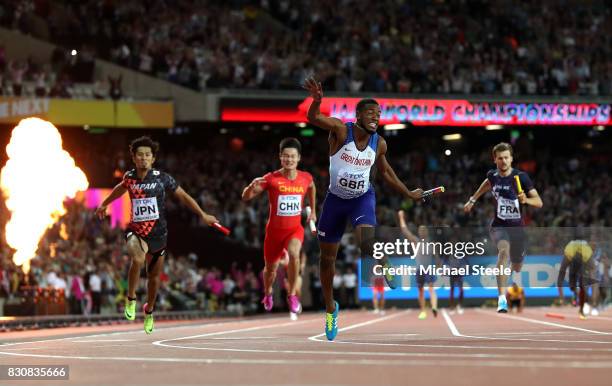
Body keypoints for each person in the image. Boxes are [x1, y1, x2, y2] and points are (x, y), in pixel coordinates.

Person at [303, 76, 423, 340]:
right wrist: (317, 101)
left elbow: (387, 173)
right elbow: (314, 118)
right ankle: (330, 309)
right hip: (335, 201)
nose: (376, 117)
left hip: (361, 198)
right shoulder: (341, 131)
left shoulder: (379, 142)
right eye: (371, 113)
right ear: (358, 115)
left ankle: (385, 262)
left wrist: (408, 193)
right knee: (326, 261)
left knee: (366, 244)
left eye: (379, 114)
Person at [95, 136, 219, 334]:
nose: (143, 158)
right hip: (136, 231)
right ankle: (131, 298)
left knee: (154, 278)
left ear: (153, 159)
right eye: (140, 155)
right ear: (134, 158)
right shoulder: (130, 177)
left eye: (147, 155)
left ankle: (149, 310)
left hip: (158, 235)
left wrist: (202, 214)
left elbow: (184, 196)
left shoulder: (163, 178)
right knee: (137, 258)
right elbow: (121, 188)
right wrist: (105, 203)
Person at [463, 142, 542, 313]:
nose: (504, 161)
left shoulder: (521, 177)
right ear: (495, 160)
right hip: (499, 226)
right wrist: (473, 199)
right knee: (503, 252)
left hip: (517, 229)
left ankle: (517, 261)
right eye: (500, 158)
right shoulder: (492, 176)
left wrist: (526, 201)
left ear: (512, 159)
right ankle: (501, 298)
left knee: (517, 266)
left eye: (506, 157)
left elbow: (539, 202)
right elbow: (487, 183)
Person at [242, 138, 316, 317]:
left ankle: (291, 295)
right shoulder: (271, 178)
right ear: (280, 157)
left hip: (294, 230)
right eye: (285, 156)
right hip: (274, 233)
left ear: (298, 158)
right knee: (270, 270)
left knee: (294, 255)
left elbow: (312, 187)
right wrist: (251, 187)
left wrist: (313, 210)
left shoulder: (306, 177)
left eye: (292, 156)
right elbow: (246, 197)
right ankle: (267, 294)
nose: (289, 160)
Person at [398, 210, 438, 319]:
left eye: (424, 230)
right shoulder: (416, 241)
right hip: (421, 269)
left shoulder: (430, 243)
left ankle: (432, 307)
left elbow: (437, 256)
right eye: (420, 230)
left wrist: (438, 264)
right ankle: (425, 310)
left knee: (430, 288)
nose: (422, 231)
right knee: (424, 289)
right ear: (419, 232)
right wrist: (401, 218)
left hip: (427, 268)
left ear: (427, 232)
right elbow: (405, 231)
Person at [557, 238, 595, 319]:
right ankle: (576, 292)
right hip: (574, 258)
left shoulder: (587, 255)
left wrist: (591, 295)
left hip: (583, 263)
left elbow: (592, 277)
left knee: (584, 285)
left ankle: (581, 309)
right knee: (572, 287)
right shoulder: (569, 254)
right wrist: (561, 297)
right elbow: (560, 276)